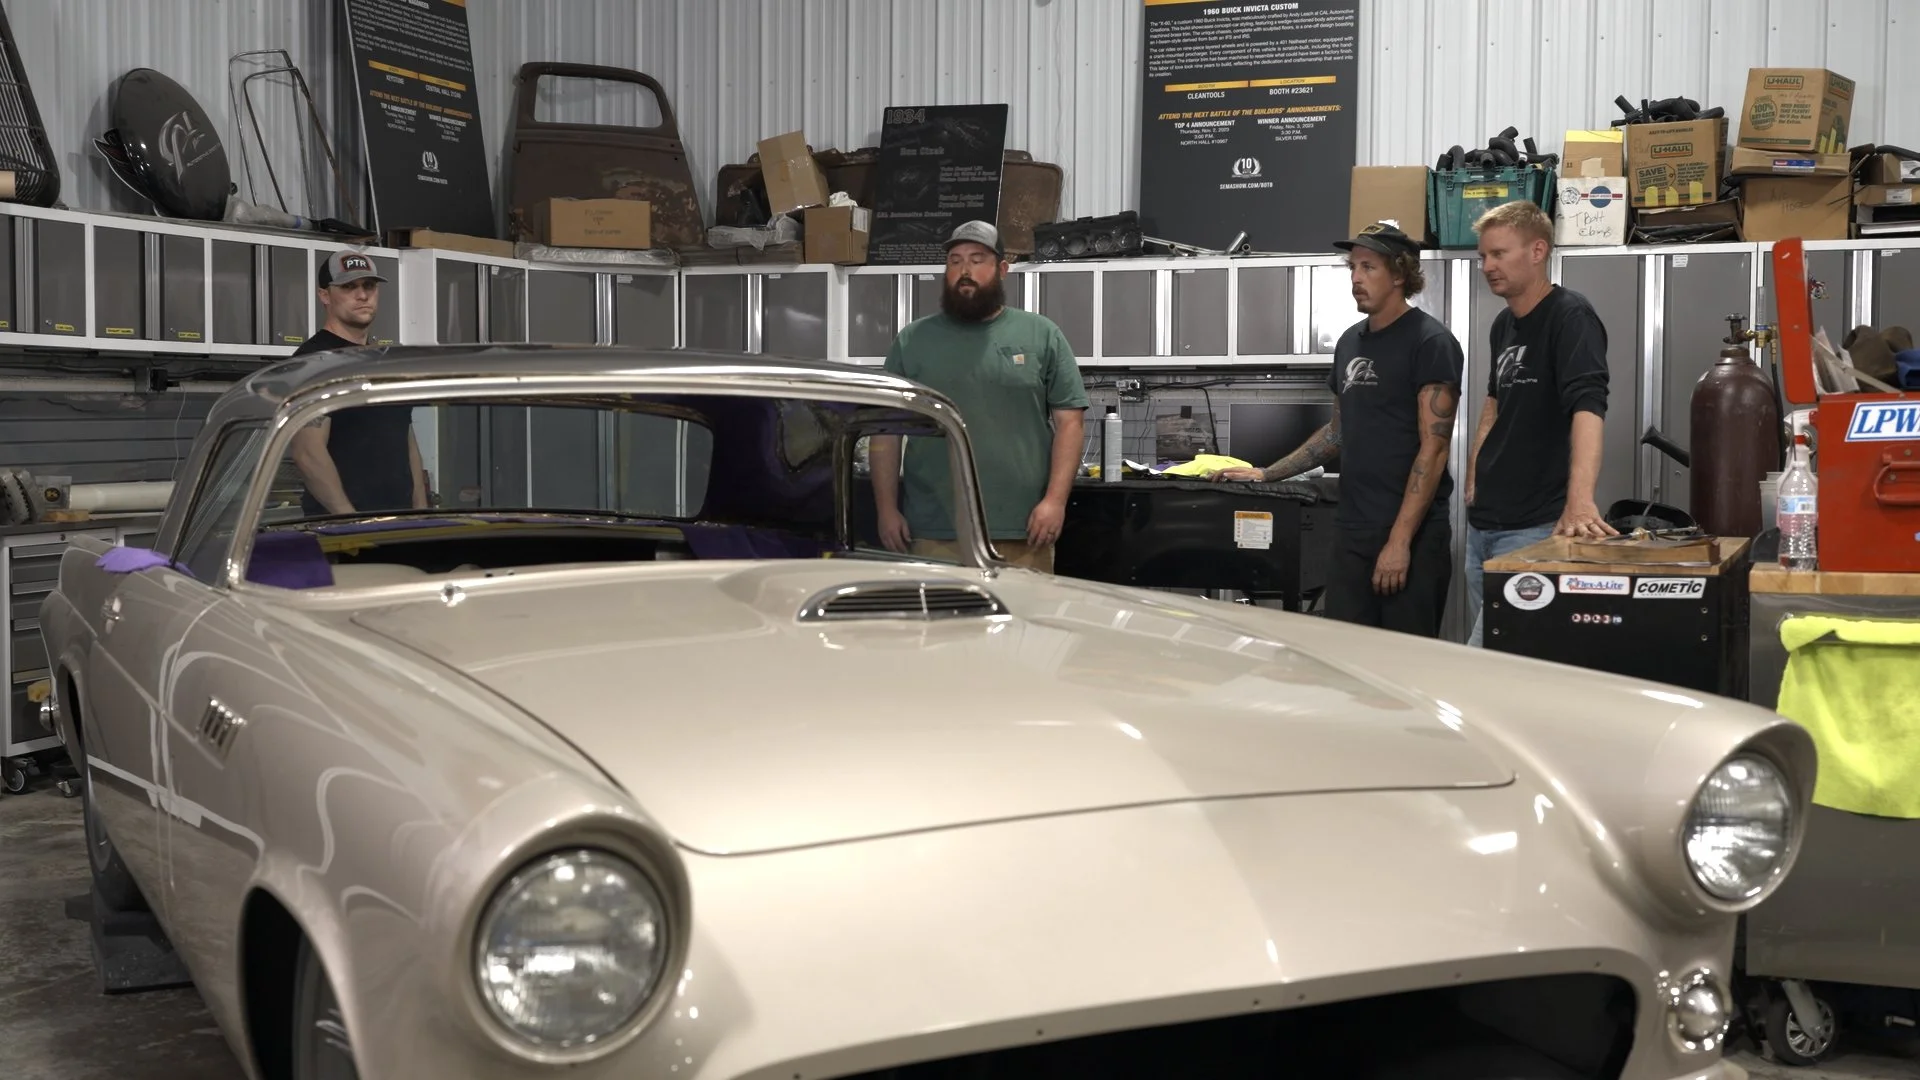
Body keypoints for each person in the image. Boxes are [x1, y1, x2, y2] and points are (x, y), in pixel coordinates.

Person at [1211, 222, 1463, 637]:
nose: (1356, 279)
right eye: (1352, 268)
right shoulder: (1350, 343)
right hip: (1352, 530)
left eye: (1368, 268)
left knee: (1405, 665)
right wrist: (1265, 473)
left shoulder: (1430, 342)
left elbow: (1433, 450)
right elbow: (1336, 433)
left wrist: (1399, 542)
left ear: (1400, 274)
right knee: (1346, 655)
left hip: (1411, 535)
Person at [870, 221, 1089, 572]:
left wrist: (1055, 501)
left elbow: (1070, 424)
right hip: (933, 529)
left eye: (977, 259)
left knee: (1024, 624)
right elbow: (885, 430)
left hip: (1025, 529)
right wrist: (885, 509)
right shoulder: (912, 341)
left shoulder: (1041, 334)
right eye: (955, 261)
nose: (964, 271)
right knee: (937, 627)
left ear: (1002, 269)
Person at [1464, 200, 1617, 647]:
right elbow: (1494, 401)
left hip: (1535, 525)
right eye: (1483, 257)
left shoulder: (1570, 315)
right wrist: (1476, 470)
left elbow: (1589, 406)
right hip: (1485, 523)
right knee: (1503, 658)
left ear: (1537, 251)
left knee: (1488, 654)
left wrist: (1581, 502)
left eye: (1498, 254)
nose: (1487, 266)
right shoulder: (1503, 325)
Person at [289, 250, 428, 517]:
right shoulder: (314, 361)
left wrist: (421, 512)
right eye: (348, 286)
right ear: (325, 295)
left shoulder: (385, 359)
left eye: (369, 286)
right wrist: (351, 521)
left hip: (398, 526)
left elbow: (405, 438)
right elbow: (307, 454)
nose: (362, 295)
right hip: (343, 532)